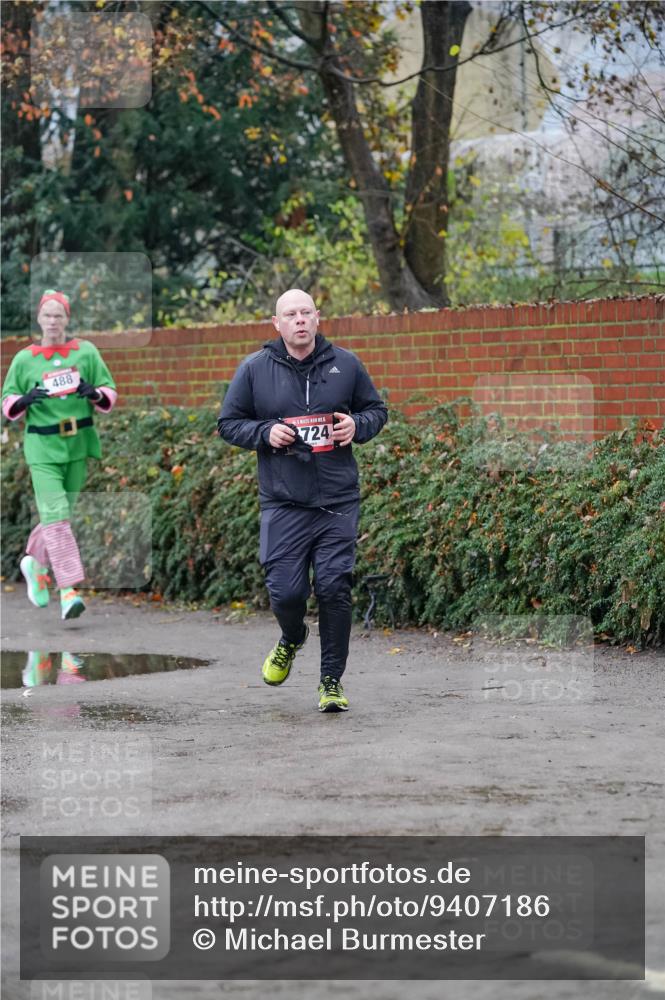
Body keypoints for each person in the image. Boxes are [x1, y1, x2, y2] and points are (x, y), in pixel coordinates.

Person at [218, 288, 387, 712]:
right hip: (283, 502)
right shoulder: (256, 369)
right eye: (289, 314)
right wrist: (264, 433)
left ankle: (331, 681)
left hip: (337, 500)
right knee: (286, 593)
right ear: (276, 324)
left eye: (305, 312)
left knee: (333, 587)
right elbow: (228, 422)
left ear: (317, 318)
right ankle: (292, 637)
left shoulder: (345, 364)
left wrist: (356, 425)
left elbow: (376, 411)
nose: (299, 320)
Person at [2, 289, 117, 620]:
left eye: (59, 315)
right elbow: (6, 399)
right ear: (39, 319)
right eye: (47, 315)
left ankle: (34, 564)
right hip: (42, 447)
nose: (53, 321)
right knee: (56, 513)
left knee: (59, 516)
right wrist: (24, 400)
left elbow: (109, 391)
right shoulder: (25, 359)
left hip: (77, 444)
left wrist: (92, 392)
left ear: (67, 320)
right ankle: (68, 590)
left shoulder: (86, 352)